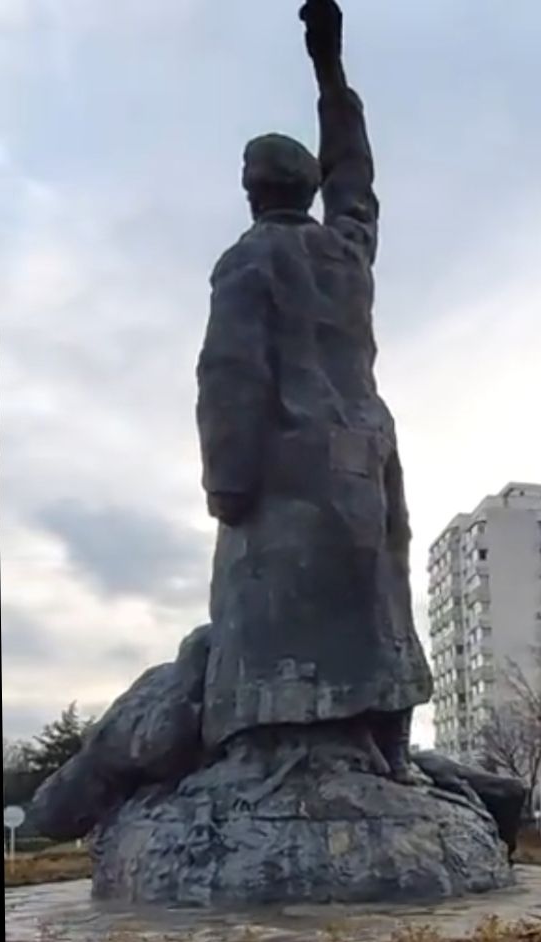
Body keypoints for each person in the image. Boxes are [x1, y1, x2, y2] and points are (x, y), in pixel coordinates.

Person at [196, 0, 431, 777]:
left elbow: (229, 374)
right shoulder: (346, 252)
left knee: (272, 608)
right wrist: (329, 69)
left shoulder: (247, 261)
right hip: (367, 454)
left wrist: (228, 483)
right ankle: (386, 742)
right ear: (306, 188)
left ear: (250, 190)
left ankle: (272, 749)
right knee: (376, 597)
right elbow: (355, 175)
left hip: (289, 461)